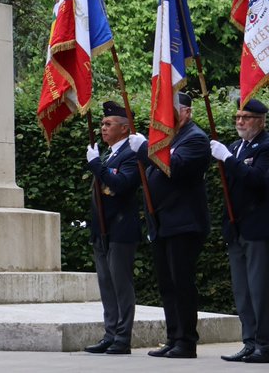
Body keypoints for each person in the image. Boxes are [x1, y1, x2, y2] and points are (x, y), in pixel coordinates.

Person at [140, 93, 210, 359]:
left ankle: (187, 341)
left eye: (171, 111)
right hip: (163, 223)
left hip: (184, 223)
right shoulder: (170, 138)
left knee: (182, 283)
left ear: (187, 112)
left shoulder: (195, 138)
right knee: (167, 284)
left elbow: (175, 167)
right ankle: (173, 336)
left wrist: (146, 150)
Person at [83, 101, 145, 355]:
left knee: (121, 284)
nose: (103, 128)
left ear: (124, 128)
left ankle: (122, 337)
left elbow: (121, 185)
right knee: (106, 285)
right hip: (102, 229)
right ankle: (110, 333)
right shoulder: (109, 154)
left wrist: (97, 165)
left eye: (109, 124)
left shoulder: (131, 153)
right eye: (102, 123)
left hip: (120, 228)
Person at [210, 97, 269, 363]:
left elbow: (257, 180)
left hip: (257, 228)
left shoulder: (265, 147)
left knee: (259, 289)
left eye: (245, 117)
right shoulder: (235, 147)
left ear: (260, 120)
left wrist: (228, 160)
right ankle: (249, 341)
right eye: (237, 117)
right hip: (236, 228)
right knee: (242, 291)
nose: (240, 122)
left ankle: (264, 345)